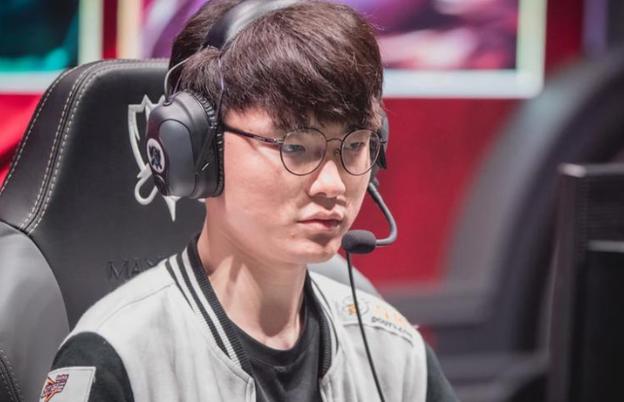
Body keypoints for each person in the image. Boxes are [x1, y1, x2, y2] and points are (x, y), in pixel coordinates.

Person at [40, 1, 458, 401]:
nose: (332, 185)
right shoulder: (118, 356)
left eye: (354, 145)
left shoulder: (393, 353)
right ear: (201, 149)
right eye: (296, 147)